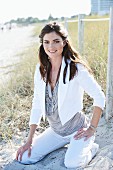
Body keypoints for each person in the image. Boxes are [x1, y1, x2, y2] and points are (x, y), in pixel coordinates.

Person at [16, 22, 105, 169]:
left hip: (77, 130)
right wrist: (29, 139)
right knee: (25, 157)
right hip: (56, 131)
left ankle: (91, 147)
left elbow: (100, 97)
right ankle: (67, 146)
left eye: (56, 41)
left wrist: (92, 128)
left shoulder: (76, 68)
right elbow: (37, 102)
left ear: (64, 42)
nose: (51, 47)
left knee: (72, 163)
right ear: (42, 44)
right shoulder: (40, 69)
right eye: (47, 42)